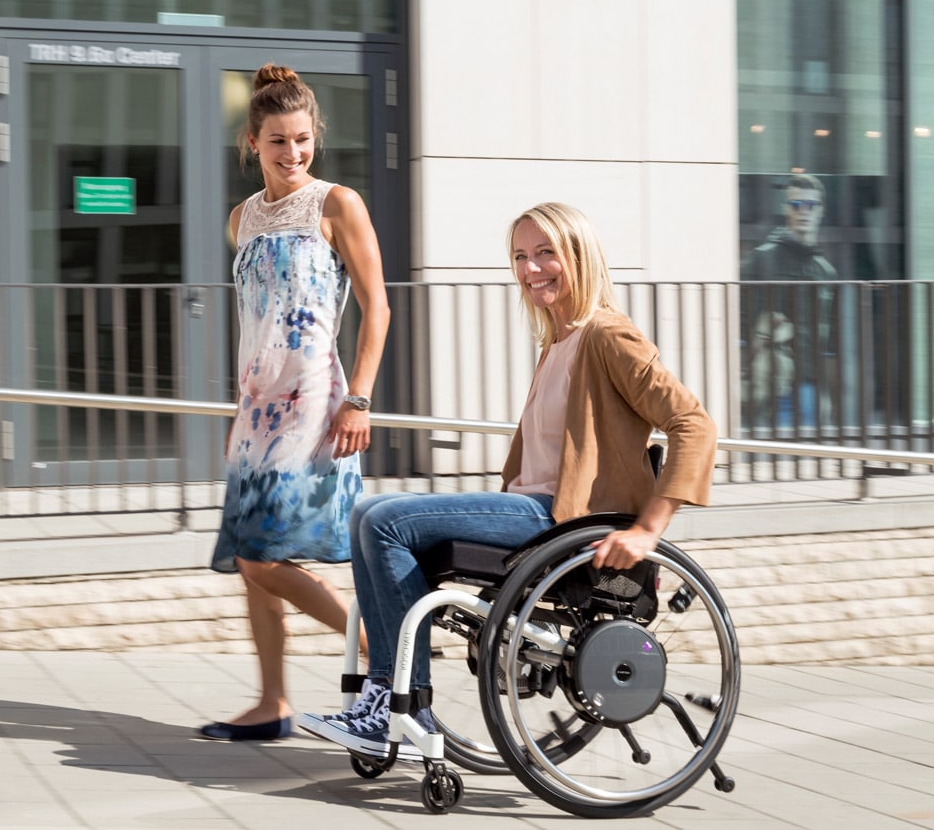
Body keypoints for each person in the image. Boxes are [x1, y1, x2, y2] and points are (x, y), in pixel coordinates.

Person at [298, 202, 717, 758]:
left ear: (579, 256)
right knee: (366, 516)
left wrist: (648, 529)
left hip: (558, 518)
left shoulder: (608, 337)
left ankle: (398, 705)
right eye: (520, 256)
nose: (531, 268)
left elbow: (695, 424)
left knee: (384, 520)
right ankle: (385, 700)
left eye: (546, 252)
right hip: (531, 511)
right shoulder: (557, 345)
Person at [198, 64, 390, 741]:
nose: (293, 153)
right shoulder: (240, 219)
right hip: (256, 408)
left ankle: (377, 647)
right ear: (253, 142)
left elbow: (378, 309)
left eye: (302, 139)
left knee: (261, 556)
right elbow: (257, 321)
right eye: (278, 140)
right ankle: (272, 701)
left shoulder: (338, 204)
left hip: (314, 402)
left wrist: (359, 399)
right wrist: (240, 410)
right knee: (253, 565)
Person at [740, 174, 837, 429]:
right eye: (796, 205)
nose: (803, 212)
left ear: (821, 211)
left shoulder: (824, 270)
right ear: (786, 209)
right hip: (774, 381)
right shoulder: (762, 260)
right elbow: (739, 319)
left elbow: (828, 335)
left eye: (810, 205)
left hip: (811, 385)